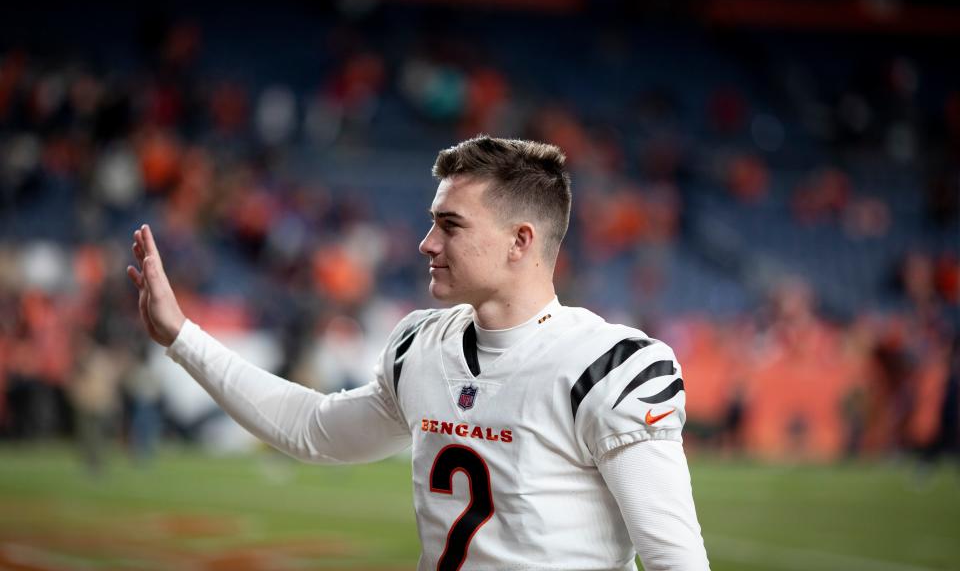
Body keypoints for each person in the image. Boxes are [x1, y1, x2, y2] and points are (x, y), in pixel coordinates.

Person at [127, 135, 710, 570]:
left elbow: (673, 560)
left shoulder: (611, 367)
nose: (426, 242)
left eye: (449, 225)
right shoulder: (421, 346)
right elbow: (311, 429)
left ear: (520, 241)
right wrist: (182, 337)